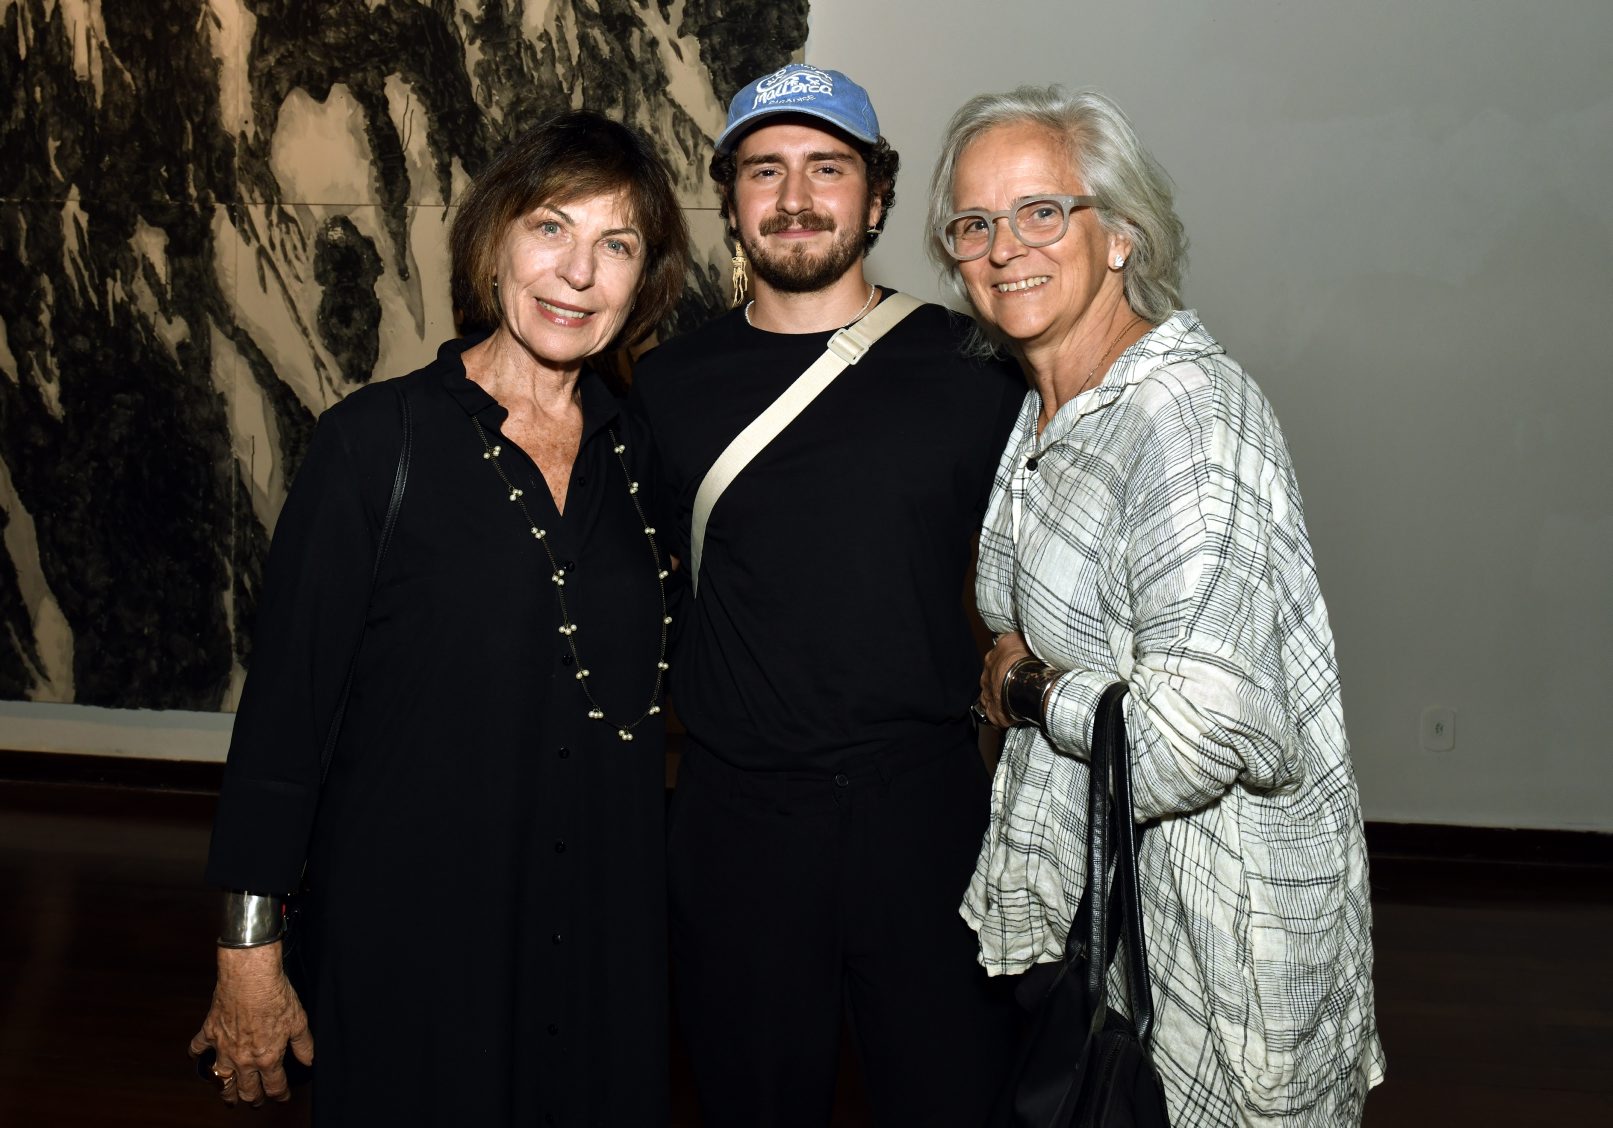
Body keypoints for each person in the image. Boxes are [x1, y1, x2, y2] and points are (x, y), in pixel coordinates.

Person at [187, 110, 689, 1126]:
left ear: (643, 283)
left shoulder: (644, 456)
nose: (577, 273)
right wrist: (248, 956)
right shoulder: (375, 448)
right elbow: (284, 720)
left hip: (600, 959)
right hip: (415, 958)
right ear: (495, 238)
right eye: (551, 228)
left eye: (616, 245)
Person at [929, 86, 1386, 1123]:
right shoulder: (1049, 401)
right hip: (1110, 926)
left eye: (1041, 211)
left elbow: (1192, 735)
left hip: (1216, 939)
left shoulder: (1181, 415)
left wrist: (1028, 683)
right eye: (973, 224)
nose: (1005, 247)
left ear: (1120, 234)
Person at [629, 63, 1023, 1127]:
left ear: (877, 196)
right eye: (765, 169)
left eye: (826, 168)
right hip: (738, 818)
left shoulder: (972, 369)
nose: (794, 198)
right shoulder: (665, 385)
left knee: (950, 1097)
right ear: (729, 197)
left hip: (925, 810)